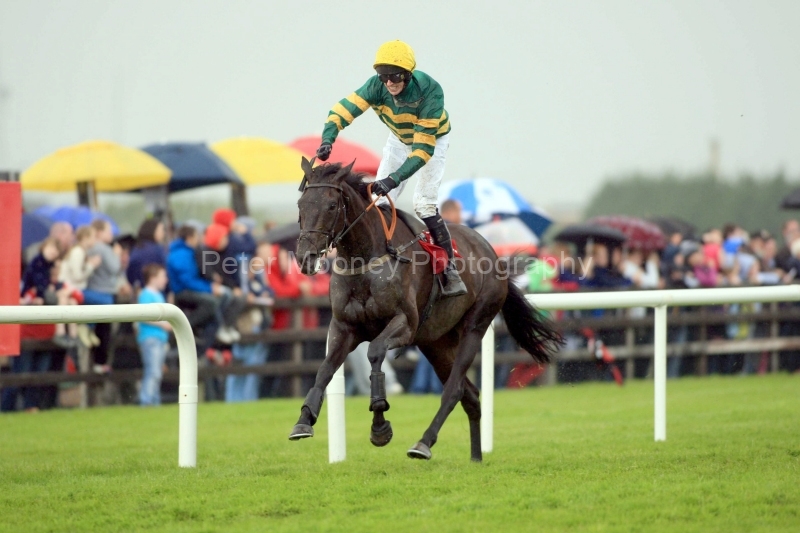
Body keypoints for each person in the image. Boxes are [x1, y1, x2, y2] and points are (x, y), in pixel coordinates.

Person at [315, 40, 466, 297]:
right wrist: (328, 139)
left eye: (394, 76)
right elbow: (341, 111)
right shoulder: (375, 86)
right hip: (398, 138)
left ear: (408, 74)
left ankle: (450, 271)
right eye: (383, 76)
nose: (388, 82)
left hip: (432, 140)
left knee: (423, 204)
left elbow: (422, 152)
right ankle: (375, 262)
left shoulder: (430, 90)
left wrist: (393, 179)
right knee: (378, 201)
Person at [136, 264, 172, 406]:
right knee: (153, 372)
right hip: (150, 338)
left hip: (160, 339)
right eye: (163, 276)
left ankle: (155, 403)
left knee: (157, 372)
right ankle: (146, 402)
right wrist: (163, 324)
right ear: (152, 278)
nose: (166, 279)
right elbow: (143, 315)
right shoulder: (146, 294)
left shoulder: (158, 295)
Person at [126, 218, 167, 290]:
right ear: (152, 231)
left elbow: (130, 273)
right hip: (155, 289)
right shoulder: (156, 250)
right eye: (161, 230)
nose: (163, 233)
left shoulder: (136, 248)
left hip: (138, 290)